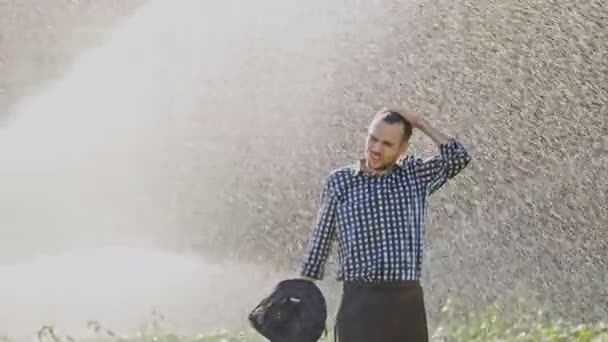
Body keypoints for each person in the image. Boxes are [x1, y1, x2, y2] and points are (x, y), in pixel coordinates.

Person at [299, 108, 472, 341]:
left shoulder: (415, 176)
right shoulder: (340, 182)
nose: (376, 149)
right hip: (359, 304)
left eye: (388, 144)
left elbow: (459, 156)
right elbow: (321, 239)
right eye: (373, 138)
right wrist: (301, 287)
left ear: (403, 149)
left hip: (405, 303)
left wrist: (421, 123)